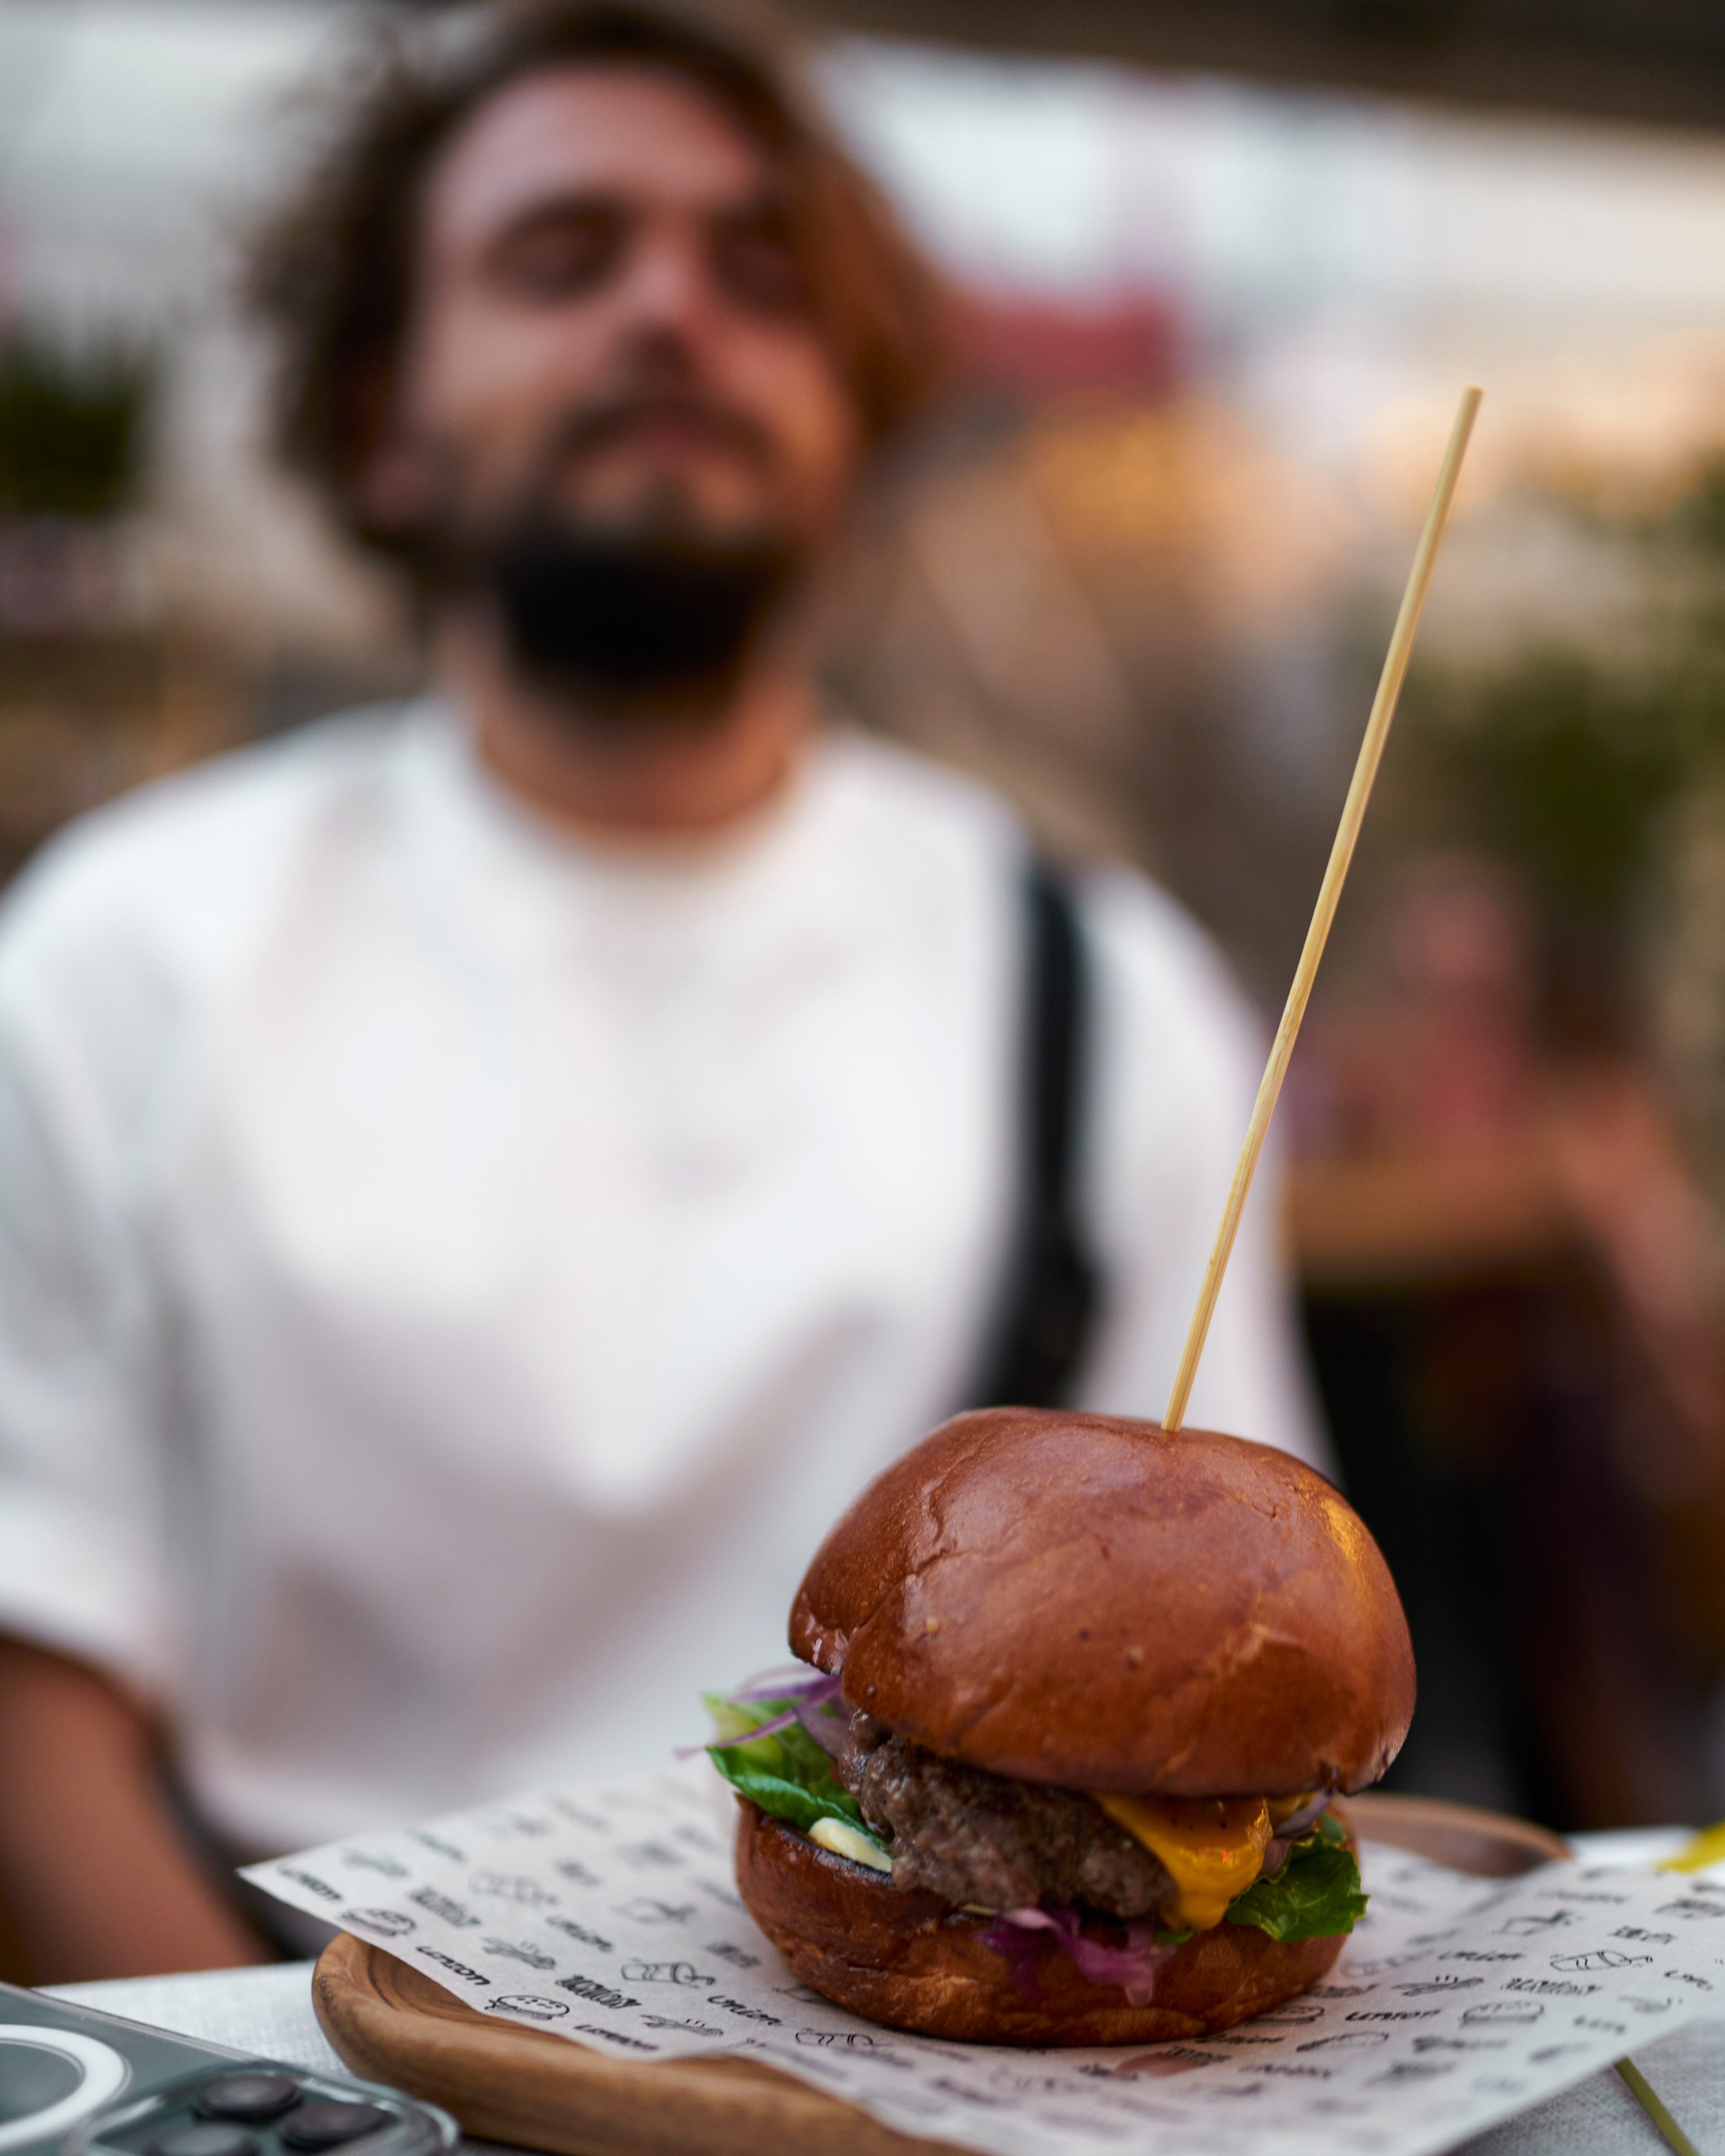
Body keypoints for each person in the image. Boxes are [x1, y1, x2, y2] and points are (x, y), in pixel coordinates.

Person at [0, 0, 1323, 1982]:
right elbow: (35, 1681)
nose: (672, 313)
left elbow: (1244, 1687)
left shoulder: (1100, 983)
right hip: (289, 2044)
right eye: (564, 258)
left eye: (760, 273)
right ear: (387, 411)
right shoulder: (127, 948)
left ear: (857, 411)